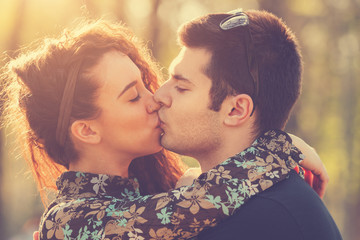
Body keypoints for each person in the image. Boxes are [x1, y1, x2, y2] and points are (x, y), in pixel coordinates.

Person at [0, 18, 312, 240]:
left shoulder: (151, 198)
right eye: (134, 96)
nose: (156, 99)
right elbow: (195, 205)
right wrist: (279, 147)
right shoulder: (69, 222)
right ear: (87, 130)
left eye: (145, 85)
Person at [154, 9, 342, 239]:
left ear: (236, 110)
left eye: (182, 87)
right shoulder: (219, 204)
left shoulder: (270, 220)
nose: (159, 95)